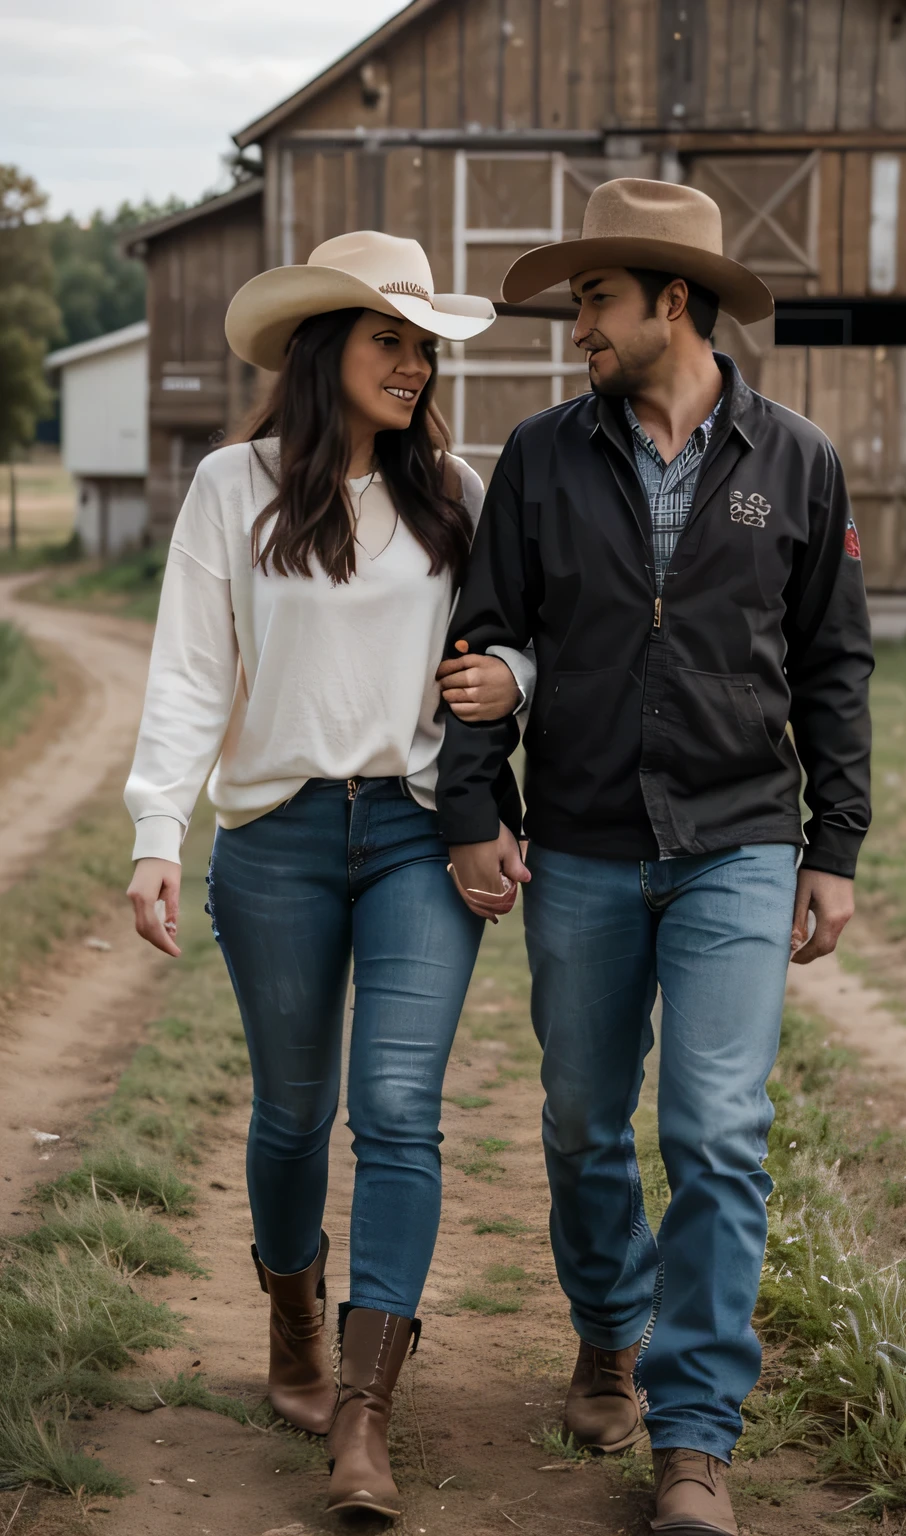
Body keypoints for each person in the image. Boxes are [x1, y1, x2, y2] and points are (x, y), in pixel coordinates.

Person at [436, 179, 873, 1536]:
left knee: (717, 1131)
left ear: (668, 301)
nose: (578, 328)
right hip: (579, 837)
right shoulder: (541, 458)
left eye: (594, 302)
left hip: (740, 837)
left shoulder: (795, 459)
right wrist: (473, 810)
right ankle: (609, 1326)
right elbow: (482, 642)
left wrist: (835, 842)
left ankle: (693, 1440)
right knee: (581, 1120)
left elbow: (833, 662)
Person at [124, 231, 533, 1523]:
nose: (414, 366)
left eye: (424, 347)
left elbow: (519, 641)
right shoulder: (229, 490)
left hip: (417, 833)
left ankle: (367, 1416)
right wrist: (156, 831)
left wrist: (512, 679)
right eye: (388, 341)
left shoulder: (458, 493)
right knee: (293, 1115)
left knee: (398, 1111)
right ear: (323, 351)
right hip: (278, 841)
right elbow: (191, 672)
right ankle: (293, 1312)